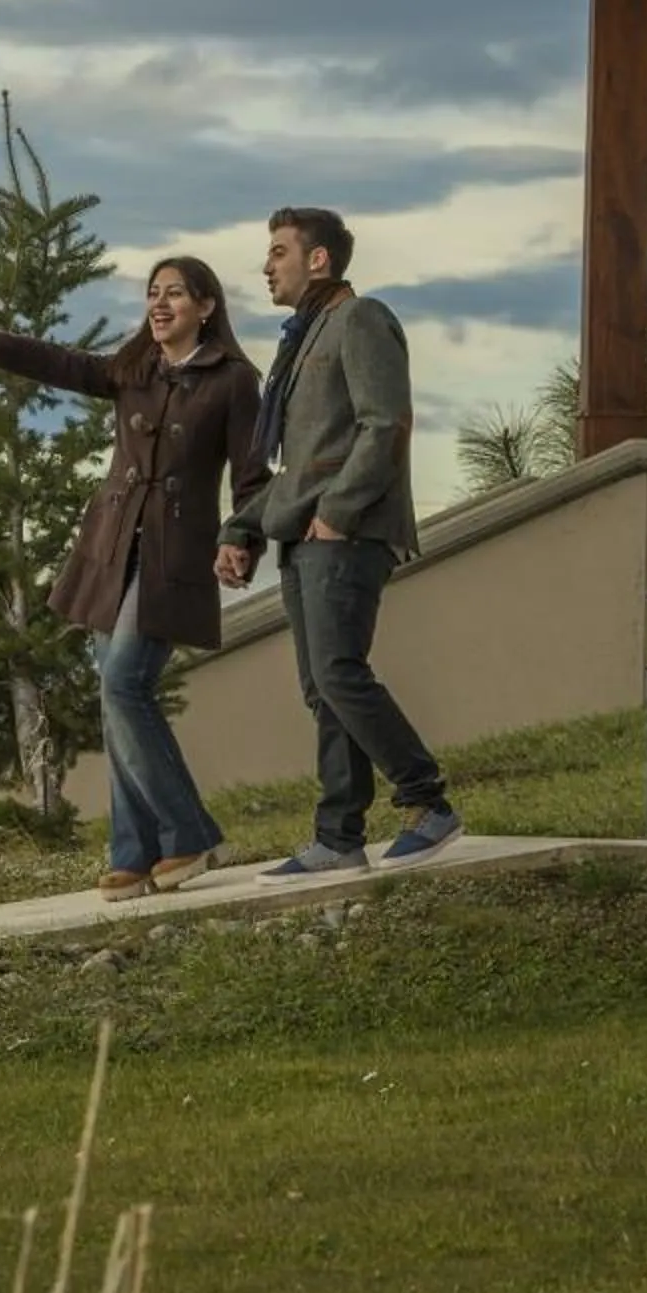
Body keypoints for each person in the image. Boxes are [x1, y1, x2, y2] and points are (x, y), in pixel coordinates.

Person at [0, 257, 262, 902]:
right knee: (112, 696)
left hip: (174, 557)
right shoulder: (134, 367)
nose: (160, 302)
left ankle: (190, 833)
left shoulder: (233, 380)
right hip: (110, 549)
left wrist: (239, 539)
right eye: (153, 293)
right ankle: (134, 850)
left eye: (175, 292)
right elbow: (69, 365)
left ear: (206, 306)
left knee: (125, 683)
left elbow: (252, 476)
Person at [214, 206, 461, 872]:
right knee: (322, 688)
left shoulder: (361, 320)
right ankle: (338, 837)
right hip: (306, 535)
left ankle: (428, 803)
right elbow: (302, 466)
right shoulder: (305, 340)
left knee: (338, 674)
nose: (267, 266)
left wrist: (341, 512)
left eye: (277, 252)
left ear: (317, 259)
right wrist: (241, 528)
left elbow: (385, 425)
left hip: (345, 532)